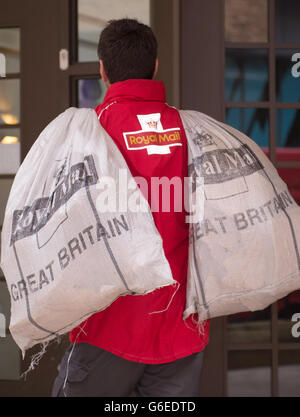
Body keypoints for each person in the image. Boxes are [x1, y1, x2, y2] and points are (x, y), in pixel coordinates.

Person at [52, 18, 209, 398]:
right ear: (155, 67)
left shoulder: (88, 134)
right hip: (181, 331)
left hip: (106, 331)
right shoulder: (194, 132)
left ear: (102, 71)